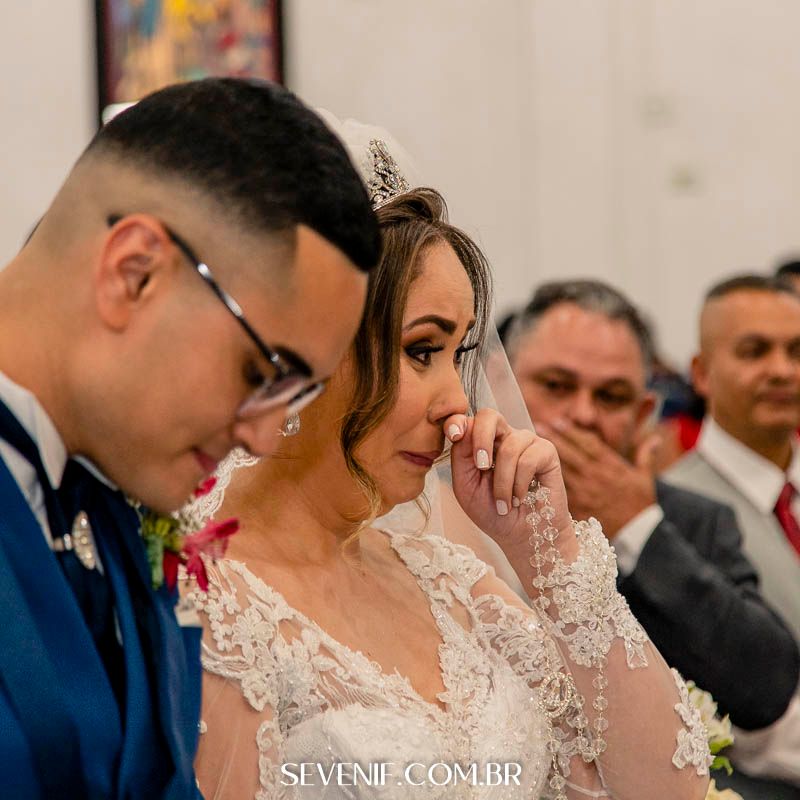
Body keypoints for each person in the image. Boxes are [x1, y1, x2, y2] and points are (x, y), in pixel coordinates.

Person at [189, 126, 711, 799]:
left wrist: (550, 563)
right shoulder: (213, 601)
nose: (453, 405)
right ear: (306, 349)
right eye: (420, 350)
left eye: (457, 355)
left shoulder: (452, 585)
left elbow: (669, 790)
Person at [0, 78, 380, 799]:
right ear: (134, 273)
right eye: (263, 371)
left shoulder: (115, 502)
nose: (267, 437)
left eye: (299, 395)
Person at [502, 278, 799, 734]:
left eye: (611, 397)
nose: (583, 414)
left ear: (643, 417)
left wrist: (639, 526)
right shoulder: (438, 507)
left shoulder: (690, 519)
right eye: (557, 385)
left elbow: (768, 685)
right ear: (502, 388)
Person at [667, 274, 800, 796]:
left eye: (795, 350)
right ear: (701, 373)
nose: (782, 370)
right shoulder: (673, 509)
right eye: (754, 351)